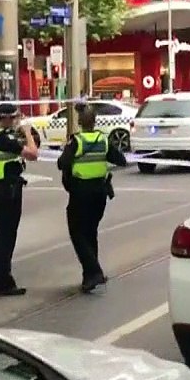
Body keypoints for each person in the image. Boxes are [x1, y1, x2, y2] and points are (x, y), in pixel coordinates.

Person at [57, 104, 128, 293]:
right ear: (95, 122)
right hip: (99, 193)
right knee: (90, 232)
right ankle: (89, 277)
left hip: (80, 193)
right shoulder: (103, 140)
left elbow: (61, 163)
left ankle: (94, 272)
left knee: (77, 233)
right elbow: (121, 160)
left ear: (79, 122)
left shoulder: (76, 142)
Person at [0, 102, 39, 296]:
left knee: (0, 234)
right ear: (5, 118)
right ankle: (4, 282)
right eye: (14, 118)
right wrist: (27, 133)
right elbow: (33, 154)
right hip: (8, 189)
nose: (16, 122)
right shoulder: (3, 138)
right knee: (7, 236)